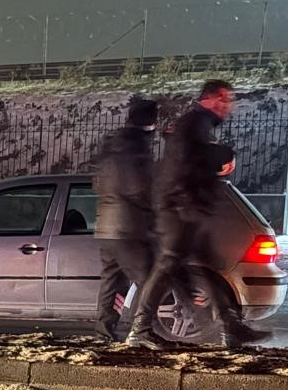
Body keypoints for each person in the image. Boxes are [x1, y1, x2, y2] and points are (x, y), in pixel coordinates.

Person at [127, 79, 270, 349]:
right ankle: (139, 330)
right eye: (223, 99)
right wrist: (222, 155)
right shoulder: (194, 123)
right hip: (178, 207)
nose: (227, 105)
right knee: (167, 264)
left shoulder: (198, 125)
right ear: (208, 99)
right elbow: (186, 157)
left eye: (229, 100)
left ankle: (231, 327)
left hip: (186, 206)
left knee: (205, 265)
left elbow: (191, 158)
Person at [93, 96, 158, 339]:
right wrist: (152, 209)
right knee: (150, 280)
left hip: (106, 226)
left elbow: (97, 183)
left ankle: (104, 332)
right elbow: (138, 187)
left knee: (112, 280)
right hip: (129, 227)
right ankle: (140, 331)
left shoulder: (111, 144)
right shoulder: (137, 145)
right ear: (151, 122)